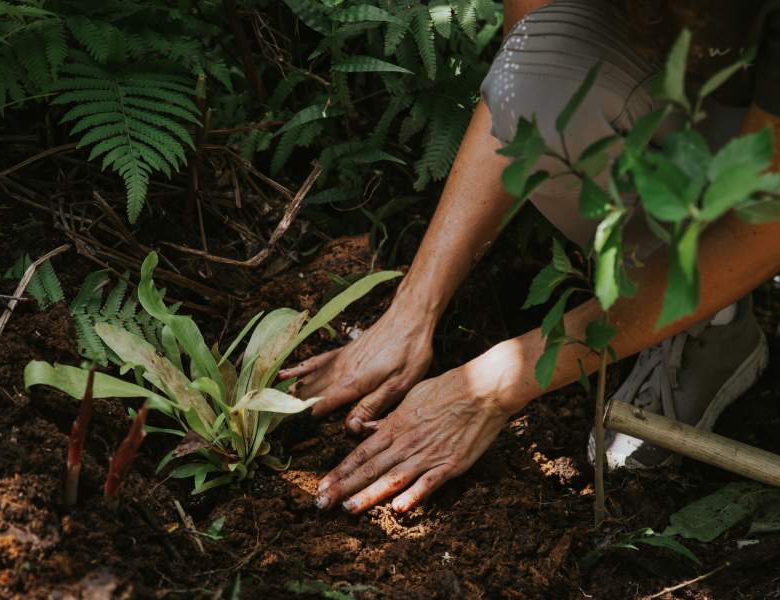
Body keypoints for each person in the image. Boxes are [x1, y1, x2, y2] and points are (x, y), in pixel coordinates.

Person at [278, 0, 780, 514]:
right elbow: (527, 76)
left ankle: (708, 326)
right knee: (542, 72)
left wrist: (494, 386)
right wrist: (414, 308)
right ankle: (687, 308)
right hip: (722, 90)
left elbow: (762, 228)